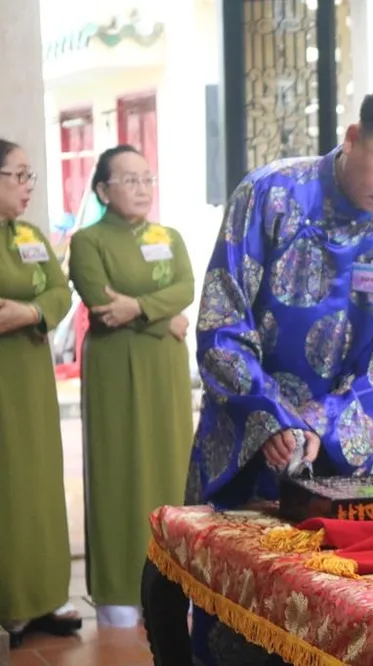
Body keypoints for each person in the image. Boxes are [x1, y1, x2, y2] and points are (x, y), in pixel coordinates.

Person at [184, 78, 373, 665]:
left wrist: (319, 424)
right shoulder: (270, 194)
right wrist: (271, 418)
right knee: (233, 618)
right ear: (353, 137)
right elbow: (223, 320)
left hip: (343, 465)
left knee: (332, 622)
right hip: (245, 442)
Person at [68, 145, 195, 628]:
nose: (142, 189)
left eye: (147, 179)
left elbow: (185, 287)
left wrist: (139, 308)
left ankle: (175, 578)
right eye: (130, 180)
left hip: (163, 366)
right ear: (103, 190)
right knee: (116, 466)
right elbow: (103, 306)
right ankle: (119, 588)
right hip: (115, 365)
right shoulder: (88, 241)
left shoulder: (169, 236)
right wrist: (164, 318)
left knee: (170, 461)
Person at [0, 139, 80, 647]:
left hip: (31, 374)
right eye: (18, 175)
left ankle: (45, 596)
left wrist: (30, 312)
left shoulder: (29, 235)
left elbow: (59, 289)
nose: (28, 186)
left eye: (30, 175)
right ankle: (12, 601)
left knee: (38, 479)